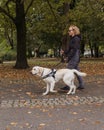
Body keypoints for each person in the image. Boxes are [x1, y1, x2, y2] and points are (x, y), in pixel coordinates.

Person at [60, 25, 84, 90]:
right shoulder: (72, 39)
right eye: (69, 30)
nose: (68, 32)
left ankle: (68, 86)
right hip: (74, 56)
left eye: (70, 30)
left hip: (74, 57)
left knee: (68, 71)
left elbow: (74, 50)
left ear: (74, 31)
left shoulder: (76, 39)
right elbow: (70, 49)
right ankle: (81, 84)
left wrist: (68, 58)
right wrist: (64, 52)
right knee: (77, 71)